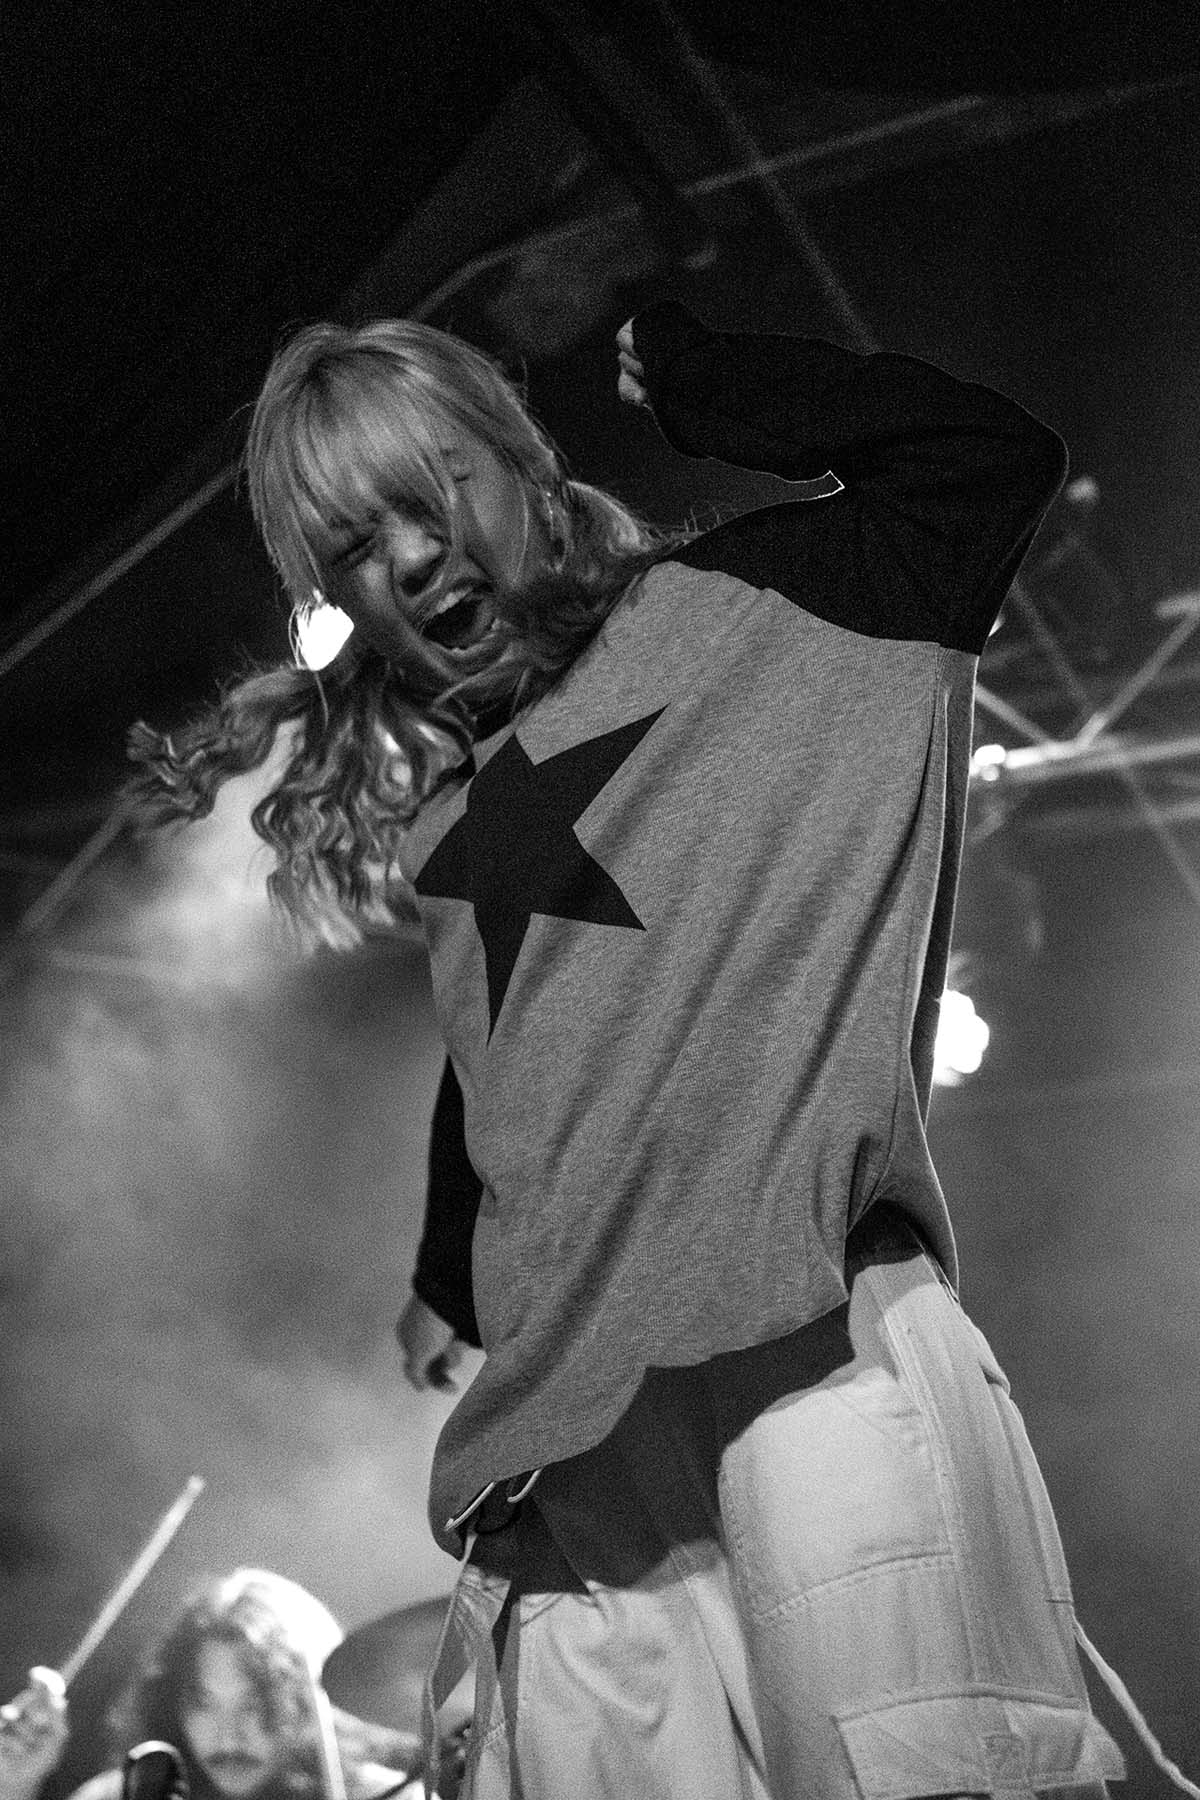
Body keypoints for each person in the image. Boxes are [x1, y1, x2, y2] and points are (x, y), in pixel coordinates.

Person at [126, 303, 1126, 1799]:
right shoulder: (450, 818)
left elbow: (991, 461)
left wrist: (723, 383)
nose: (411, 557)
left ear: (523, 456)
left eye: (435, 489)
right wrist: (448, 1264)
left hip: (808, 1353)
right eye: (354, 550)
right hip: (565, 1460)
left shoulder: (784, 607)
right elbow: (516, 1045)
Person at [0, 1571, 423, 1800]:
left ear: (308, 1702)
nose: (227, 1737)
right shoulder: (124, 1795)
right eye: (203, 1703)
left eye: (254, 1706)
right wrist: (13, 1784)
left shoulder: (392, 1798)